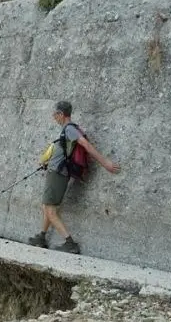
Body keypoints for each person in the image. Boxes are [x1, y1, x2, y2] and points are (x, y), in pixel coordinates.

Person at [29, 101, 119, 253]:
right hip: (56, 172)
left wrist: (106, 163)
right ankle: (41, 237)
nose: (54, 118)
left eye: (55, 115)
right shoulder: (67, 130)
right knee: (48, 206)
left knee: (49, 209)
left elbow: (86, 146)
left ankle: (70, 243)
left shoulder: (70, 129)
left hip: (58, 175)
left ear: (61, 114)